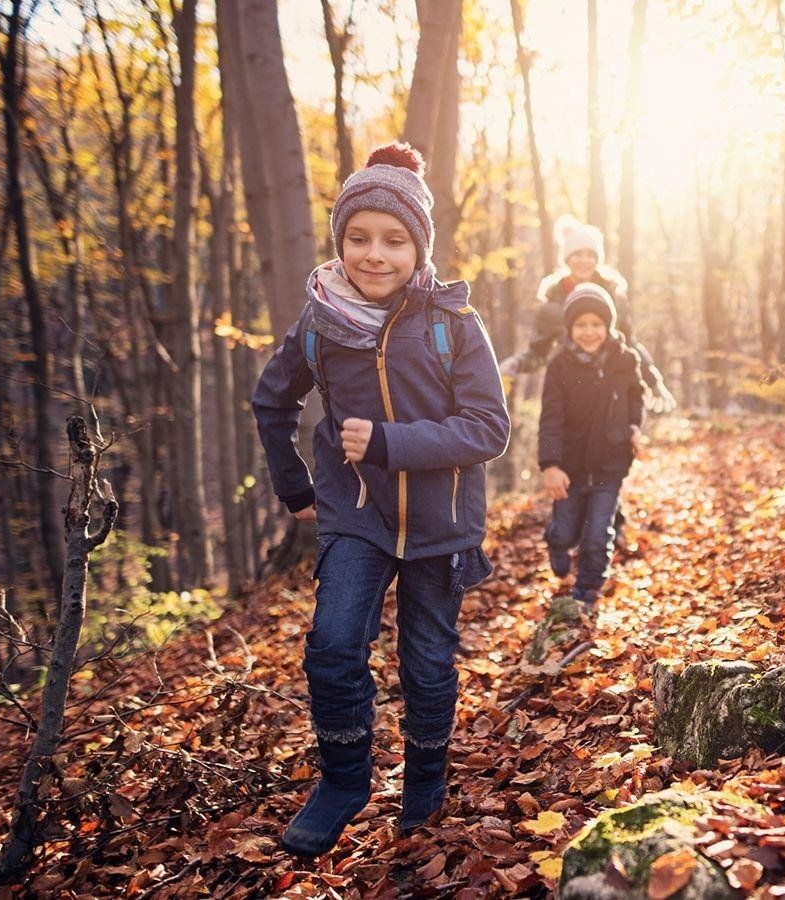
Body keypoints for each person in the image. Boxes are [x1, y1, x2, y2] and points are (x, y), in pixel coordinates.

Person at [251, 142, 509, 857]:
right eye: (358, 238)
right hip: (355, 516)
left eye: (394, 241)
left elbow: (490, 428)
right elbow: (270, 404)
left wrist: (392, 442)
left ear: (417, 247)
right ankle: (343, 781)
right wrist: (296, 489)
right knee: (332, 645)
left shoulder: (452, 323)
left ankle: (425, 778)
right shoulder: (319, 323)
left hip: (441, 522)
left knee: (426, 663)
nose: (374, 255)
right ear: (340, 243)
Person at [537, 283, 645, 611]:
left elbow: (635, 396)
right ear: (569, 328)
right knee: (568, 530)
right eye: (581, 325)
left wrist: (633, 428)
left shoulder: (625, 360)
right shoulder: (560, 366)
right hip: (569, 463)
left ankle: (586, 593)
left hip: (609, 463)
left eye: (596, 324)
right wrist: (550, 465)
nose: (589, 332)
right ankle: (556, 542)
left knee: (599, 533)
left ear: (608, 325)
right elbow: (550, 417)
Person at [499, 215, 675, 414]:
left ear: (598, 259)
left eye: (591, 255)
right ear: (566, 259)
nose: (584, 261)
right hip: (571, 390)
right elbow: (539, 353)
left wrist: (653, 380)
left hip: (612, 388)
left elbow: (630, 343)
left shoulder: (614, 295)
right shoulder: (553, 302)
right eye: (577, 254)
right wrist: (515, 364)